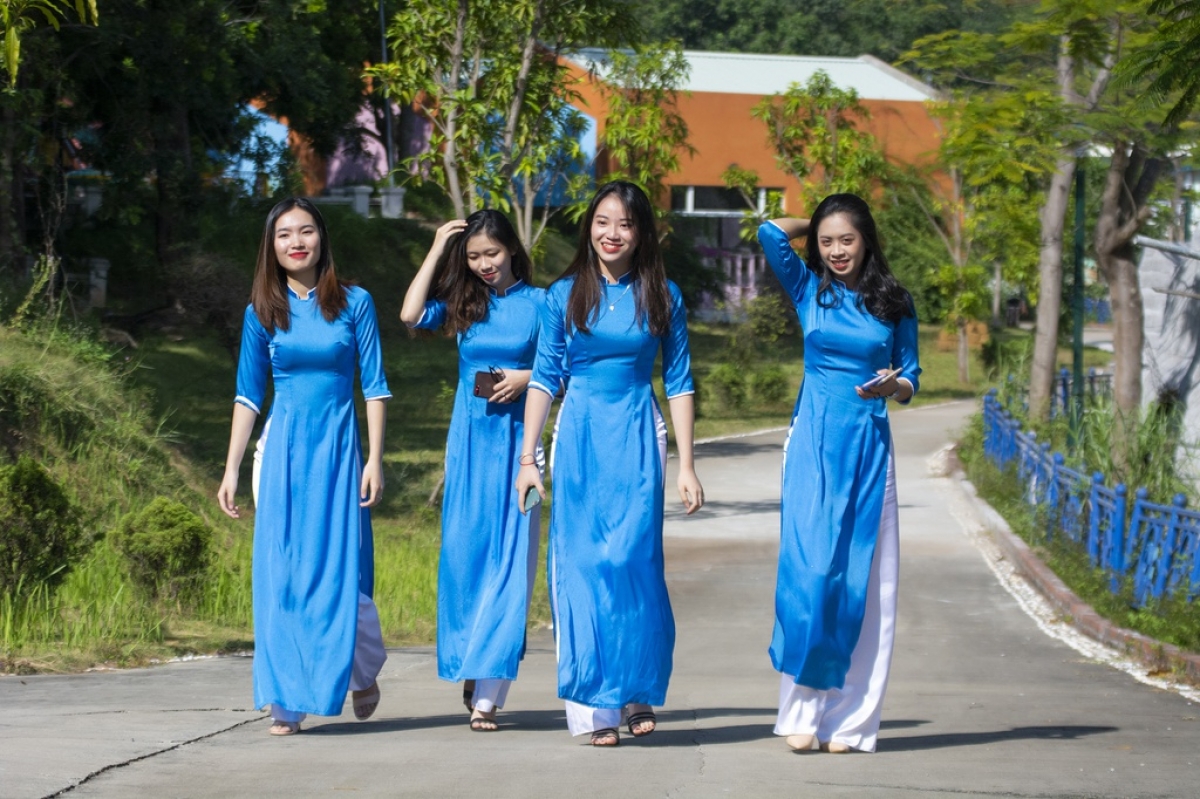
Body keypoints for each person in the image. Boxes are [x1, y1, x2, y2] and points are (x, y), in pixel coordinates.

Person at [516, 180, 705, 747]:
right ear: (588, 227)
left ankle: (637, 689)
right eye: (602, 222)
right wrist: (529, 459)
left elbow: (679, 381)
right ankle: (598, 704)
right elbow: (546, 377)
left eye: (624, 224)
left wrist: (687, 464)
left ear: (642, 231)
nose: (611, 234)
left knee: (631, 561)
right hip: (580, 436)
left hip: (637, 435)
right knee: (584, 564)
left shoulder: (663, 295)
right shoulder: (563, 294)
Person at [218, 197, 391, 737]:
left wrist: (376, 459)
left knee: (341, 573)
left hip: (339, 453)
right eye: (284, 234)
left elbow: (376, 387)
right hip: (282, 453)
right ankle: (286, 703)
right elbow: (248, 396)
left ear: (322, 239)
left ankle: (363, 666)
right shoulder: (260, 312)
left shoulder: (355, 303)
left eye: (307, 231)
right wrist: (230, 469)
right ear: (270, 247)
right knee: (282, 576)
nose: (297, 242)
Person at [757, 193, 921, 755]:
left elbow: (912, 378)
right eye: (826, 242)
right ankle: (801, 712)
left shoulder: (895, 302)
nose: (835, 251)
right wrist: (819, 217)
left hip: (870, 446)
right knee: (808, 575)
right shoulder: (809, 289)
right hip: (812, 442)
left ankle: (850, 723)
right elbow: (768, 233)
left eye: (846, 239)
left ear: (867, 239)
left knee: (866, 586)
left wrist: (892, 385)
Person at [400, 210, 544, 733]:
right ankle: (473, 660)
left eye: (493, 254)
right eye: (475, 256)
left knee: (510, 563)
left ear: (512, 250)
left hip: (519, 449)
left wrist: (526, 377)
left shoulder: (541, 304)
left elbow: (564, 368)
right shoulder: (465, 303)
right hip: (468, 446)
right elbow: (410, 314)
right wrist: (439, 247)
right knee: (465, 557)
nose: (485, 265)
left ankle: (488, 697)